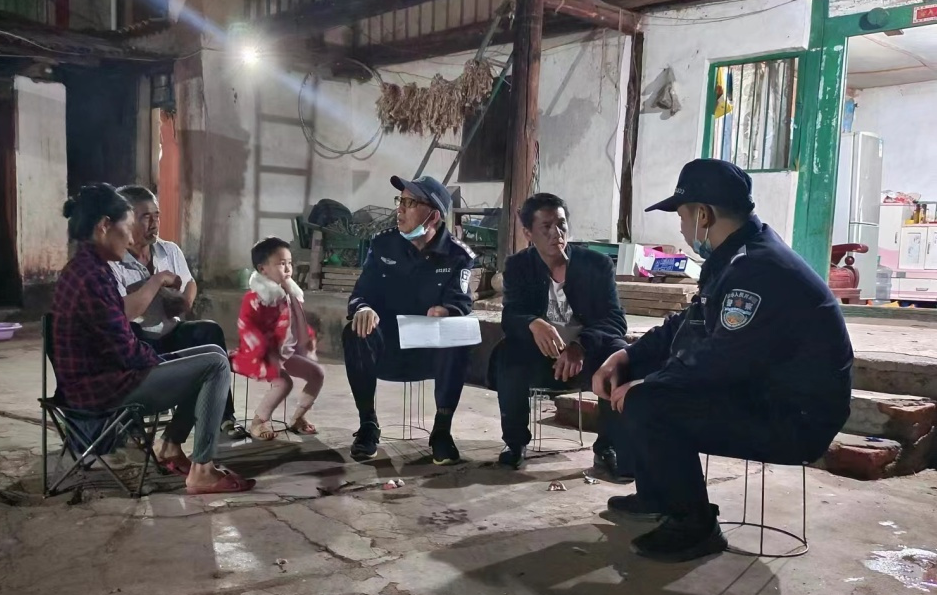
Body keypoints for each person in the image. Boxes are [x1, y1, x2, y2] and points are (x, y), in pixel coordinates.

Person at [592, 159, 853, 562]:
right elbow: (688, 324)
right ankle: (659, 494)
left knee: (650, 400)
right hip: (766, 394)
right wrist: (625, 355)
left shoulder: (757, 269)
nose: (681, 228)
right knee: (637, 372)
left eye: (681, 216)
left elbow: (720, 360)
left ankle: (694, 526)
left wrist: (649, 386)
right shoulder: (738, 256)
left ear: (703, 215)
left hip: (794, 419)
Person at [54, 184, 255, 494]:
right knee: (213, 365)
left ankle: (171, 447)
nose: (130, 238)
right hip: (103, 389)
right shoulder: (93, 277)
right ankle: (202, 471)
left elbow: (120, 343)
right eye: (127, 227)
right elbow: (124, 349)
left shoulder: (87, 268)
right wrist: (162, 363)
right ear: (105, 226)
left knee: (209, 354)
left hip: (106, 376)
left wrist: (170, 361)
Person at [495, 193, 631, 476]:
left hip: (588, 357)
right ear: (528, 233)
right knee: (507, 354)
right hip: (542, 358)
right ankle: (515, 443)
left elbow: (615, 319)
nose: (556, 233)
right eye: (546, 227)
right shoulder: (518, 266)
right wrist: (533, 323)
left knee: (619, 354)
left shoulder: (597, 265)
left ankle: (609, 447)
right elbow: (511, 315)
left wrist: (580, 346)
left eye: (561, 224)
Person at [343, 175, 475, 465]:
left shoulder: (457, 256)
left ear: (433, 216)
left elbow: (462, 302)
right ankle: (368, 425)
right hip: (387, 348)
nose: (399, 209)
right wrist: (363, 309)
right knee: (354, 330)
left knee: (458, 333)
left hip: (430, 353)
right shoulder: (383, 244)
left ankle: (442, 431)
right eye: (400, 201)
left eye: (410, 203)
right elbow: (360, 294)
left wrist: (446, 311)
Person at [109, 185, 247, 440]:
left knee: (209, 332)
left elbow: (189, 281)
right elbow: (122, 313)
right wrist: (157, 281)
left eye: (157, 215)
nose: (154, 223)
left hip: (170, 332)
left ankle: (224, 417)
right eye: (146, 217)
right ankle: (131, 426)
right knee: (131, 332)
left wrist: (185, 301)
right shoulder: (112, 259)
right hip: (138, 342)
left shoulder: (168, 249)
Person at [231, 237, 325, 440]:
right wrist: (265, 353)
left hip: (285, 352)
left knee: (317, 373)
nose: (288, 268)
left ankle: (298, 418)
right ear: (262, 269)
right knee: (284, 383)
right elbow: (247, 328)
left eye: (290, 262)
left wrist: (308, 338)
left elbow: (298, 323)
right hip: (261, 355)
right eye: (282, 263)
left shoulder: (290, 292)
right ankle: (259, 421)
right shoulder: (255, 298)